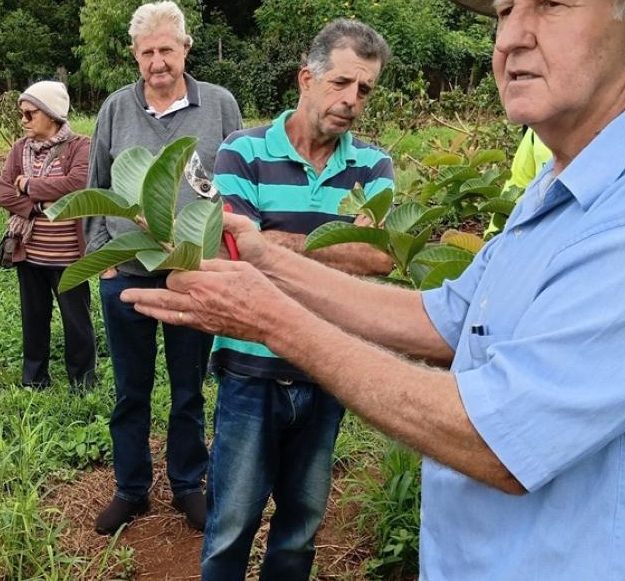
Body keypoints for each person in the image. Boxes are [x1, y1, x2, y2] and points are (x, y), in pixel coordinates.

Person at [121, 0, 625, 578]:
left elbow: (498, 438)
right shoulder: (571, 181)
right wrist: (262, 259)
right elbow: (445, 317)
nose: (509, 39)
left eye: (551, 4)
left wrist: (273, 317)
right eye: (504, 10)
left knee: (298, 518)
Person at [202, 20, 394, 580]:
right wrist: (336, 242)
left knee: (302, 527)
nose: (351, 101)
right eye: (340, 83)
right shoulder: (244, 151)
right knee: (231, 524)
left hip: (326, 365)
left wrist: (276, 241)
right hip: (250, 366)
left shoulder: (373, 166)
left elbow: (381, 258)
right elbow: (235, 252)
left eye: (364, 90)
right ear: (305, 78)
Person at [85, 0, 243, 535]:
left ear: (185, 49)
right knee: (131, 389)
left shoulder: (219, 105)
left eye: (167, 50)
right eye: (148, 51)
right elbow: (95, 185)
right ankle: (131, 489)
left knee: (188, 387)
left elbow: (238, 186)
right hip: (126, 272)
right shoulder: (115, 109)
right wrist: (102, 257)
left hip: (191, 273)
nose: (158, 61)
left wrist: (223, 257)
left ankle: (187, 485)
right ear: (135, 55)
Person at [0, 81, 96, 390]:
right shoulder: (19, 149)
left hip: (69, 257)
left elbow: (78, 184)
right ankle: (35, 379)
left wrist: (27, 187)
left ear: (51, 114)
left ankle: (82, 382)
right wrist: (43, 205)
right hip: (30, 252)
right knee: (34, 319)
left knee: (76, 322)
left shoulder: (81, 145)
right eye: (21, 114)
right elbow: (1, 192)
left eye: (29, 114)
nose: (23, 121)